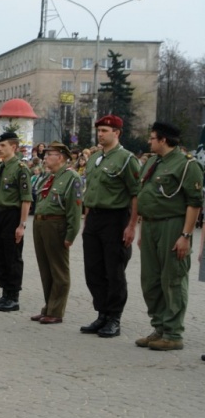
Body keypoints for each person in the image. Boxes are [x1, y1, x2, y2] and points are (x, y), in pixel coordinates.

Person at [135, 121, 203, 351]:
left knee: (172, 279)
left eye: (152, 137)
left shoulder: (186, 165)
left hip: (172, 226)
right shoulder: (153, 162)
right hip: (151, 226)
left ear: (163, 140)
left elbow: (194, 203)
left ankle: (174, 333)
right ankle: (160, 327)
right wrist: (142, 228)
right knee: (150, 279)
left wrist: (185, 235)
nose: (149, 141)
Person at [79, 115, 141, 338]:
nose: (100, 134)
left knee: (113, 270)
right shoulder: (96, 158)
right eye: (99, 130)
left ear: (117, 133)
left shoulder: (126, 159)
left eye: (105, 130)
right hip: (94, 218)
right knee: (93, 269)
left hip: (116, 219)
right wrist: (86, 219)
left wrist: (132, 225)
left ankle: (114, 317)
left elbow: (135, 194)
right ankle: (102, 313)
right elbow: (91, 192)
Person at [30, 142, 82, 324]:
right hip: (41, 224)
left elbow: (74, 210)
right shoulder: (47, 177)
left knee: (59, 270)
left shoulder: (71, 178)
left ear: (60, 157)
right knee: (46, 269)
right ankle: (48, 307)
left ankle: (56, 311)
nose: (44, 158)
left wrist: (70, 235)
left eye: (48, 155)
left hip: (56, 225)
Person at [0, 131, 33, 312]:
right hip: (0, 213)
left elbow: (26, 199)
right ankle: (5, 292)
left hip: (13, 214)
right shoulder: (0, 166)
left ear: (13, 147)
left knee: (12, 255)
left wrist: (22, 225)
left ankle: (13, 295)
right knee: (0, 251)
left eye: (3, 145)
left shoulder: (21, 168)